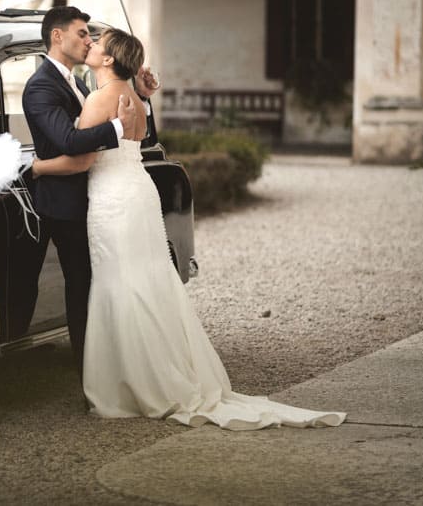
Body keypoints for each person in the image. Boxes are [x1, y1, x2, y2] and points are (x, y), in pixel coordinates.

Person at [33, 28, 346, 430]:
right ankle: (159, 369)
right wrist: (142, 94)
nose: (90, 43)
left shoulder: (99, 98)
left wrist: (37, 167)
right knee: (149, 280)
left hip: (113, 200)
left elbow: (79, 159)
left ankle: (133, 381)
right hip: (139, 194)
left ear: (109, 59)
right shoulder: (137, 103)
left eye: (98, 42)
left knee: (119, 283)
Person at [21, 6, 137, 380]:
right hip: (62, 202)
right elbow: (70, 142)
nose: (89, 40)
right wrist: (118, 127)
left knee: (90, 282)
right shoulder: (41, 86)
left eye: (90, 36)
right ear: (58, 36)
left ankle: (97, 364)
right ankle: (86, 370)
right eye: (82, 33)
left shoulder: (78, 82)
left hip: (91, 196)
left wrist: (138, 98)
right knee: (80, 284)